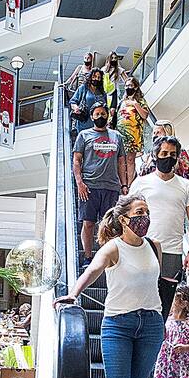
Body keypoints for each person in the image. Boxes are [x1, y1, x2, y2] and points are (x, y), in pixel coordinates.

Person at [57, 194, 163, 378]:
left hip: (152, 323)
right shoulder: (113, 248)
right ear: (124, 218)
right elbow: (92, 270)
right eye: (140, 212)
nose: (145, 218)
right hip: (118, 324)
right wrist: (74, 293)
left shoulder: (155, 246)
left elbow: (154, 284)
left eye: (147, 212)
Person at [131, 134, 189, 316]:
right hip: (143, 248)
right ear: (155, 155)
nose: (168, 157)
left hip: (173, 252)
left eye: (172, 154)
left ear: (177, 157)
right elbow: (126, 214)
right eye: (164, 153)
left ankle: (158, 342)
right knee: (138, 299)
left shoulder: (186, 186)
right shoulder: (140, 183)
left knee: (165, 305)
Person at [73, 102, 125, 267]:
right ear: (91, 116)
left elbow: (122, 162)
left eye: (103, 113)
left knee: (109, 226)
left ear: (107, 115)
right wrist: (79, 183)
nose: (100, 116)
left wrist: (124, 185)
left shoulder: (117, 136)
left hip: (111, 187)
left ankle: (106, 258)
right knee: (88, 224)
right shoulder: (84, 135)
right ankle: (88, 258)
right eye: (97, 114)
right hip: (89, 187)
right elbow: (76, 161)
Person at [138, 121, 189, 205]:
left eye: (158, 132)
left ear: (167, 133)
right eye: (154, 132)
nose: (155, 135)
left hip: (174, 197)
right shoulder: (149, 157)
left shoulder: (178, 153)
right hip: (153, 199)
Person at [115, 77, 150, 190]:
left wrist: (135, 104)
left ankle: (130, 184)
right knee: (121, 160)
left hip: (134, 135)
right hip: (121, 134)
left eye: (130, 86)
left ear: (135, 87)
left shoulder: (140, 101)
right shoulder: (122, 101)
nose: (127, 88)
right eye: (126, 86)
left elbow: (145, 115)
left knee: (130, 160)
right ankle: (122, 183)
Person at [69, 69, 107, 142]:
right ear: (90, 77)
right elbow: (73, 101)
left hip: (99, 123)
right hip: (84, 122)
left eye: (99, 77)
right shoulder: (83, 88)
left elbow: (106, 106)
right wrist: (76, 108)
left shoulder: (102, 92)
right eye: (94, 76)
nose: (96, 79)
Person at [102, 51, 129, 125]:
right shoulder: (103, 69)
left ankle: (110, 124)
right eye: (112, 58)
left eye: (115, 58)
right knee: (104, 109)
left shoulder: (119, 70)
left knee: (113, 110)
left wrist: (126, 93)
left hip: (114, 92)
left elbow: (127, 80)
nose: (113, 60)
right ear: (109, 59)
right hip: (105, 92)